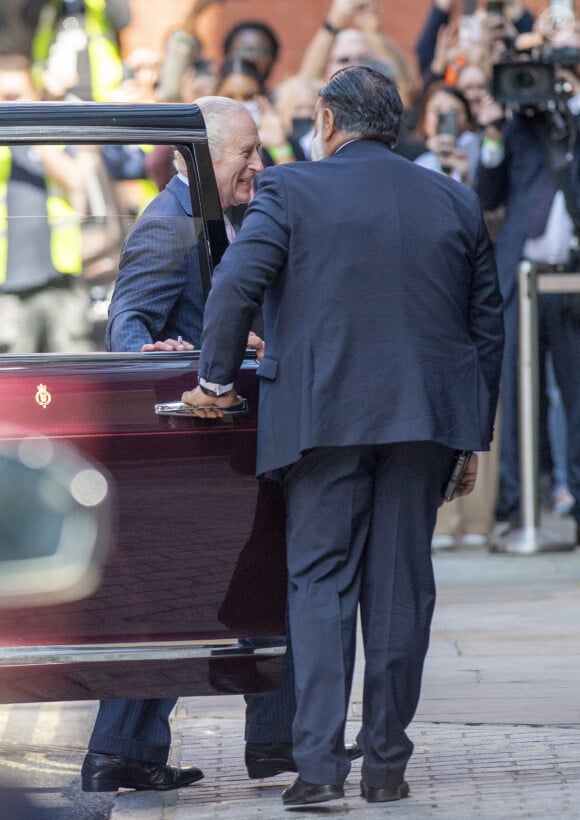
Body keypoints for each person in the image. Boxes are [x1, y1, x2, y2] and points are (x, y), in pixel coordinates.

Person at [181, 65, 504, 807]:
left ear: (326, 120)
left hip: (322, 419)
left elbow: (235, 284)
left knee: (319, 585)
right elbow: (486, 328)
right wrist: (471, 440)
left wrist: (216, 380)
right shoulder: (454, 199)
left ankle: (320, 766)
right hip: (425, 425)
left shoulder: (290, 189)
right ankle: (386, 766)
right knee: (400, 593)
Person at [82, 95, 360, 793]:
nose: (259, 165)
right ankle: (125, 750)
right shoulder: (166, 224)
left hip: (239, 440)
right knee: (190, 598)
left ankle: (260, 741)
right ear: (199, 157)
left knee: (252, 587)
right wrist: (166, 357)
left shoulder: (216, 218)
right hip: (194, 446)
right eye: (246, 152)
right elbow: (129, 328)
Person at [0, 54, 92, 355]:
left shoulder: (51, 136)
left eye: (16, 95)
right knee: (13, 382)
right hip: (6, 290)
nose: (9, 102)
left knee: (74, 374)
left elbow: (77, 184)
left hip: (59, 281)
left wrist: (30, 123)